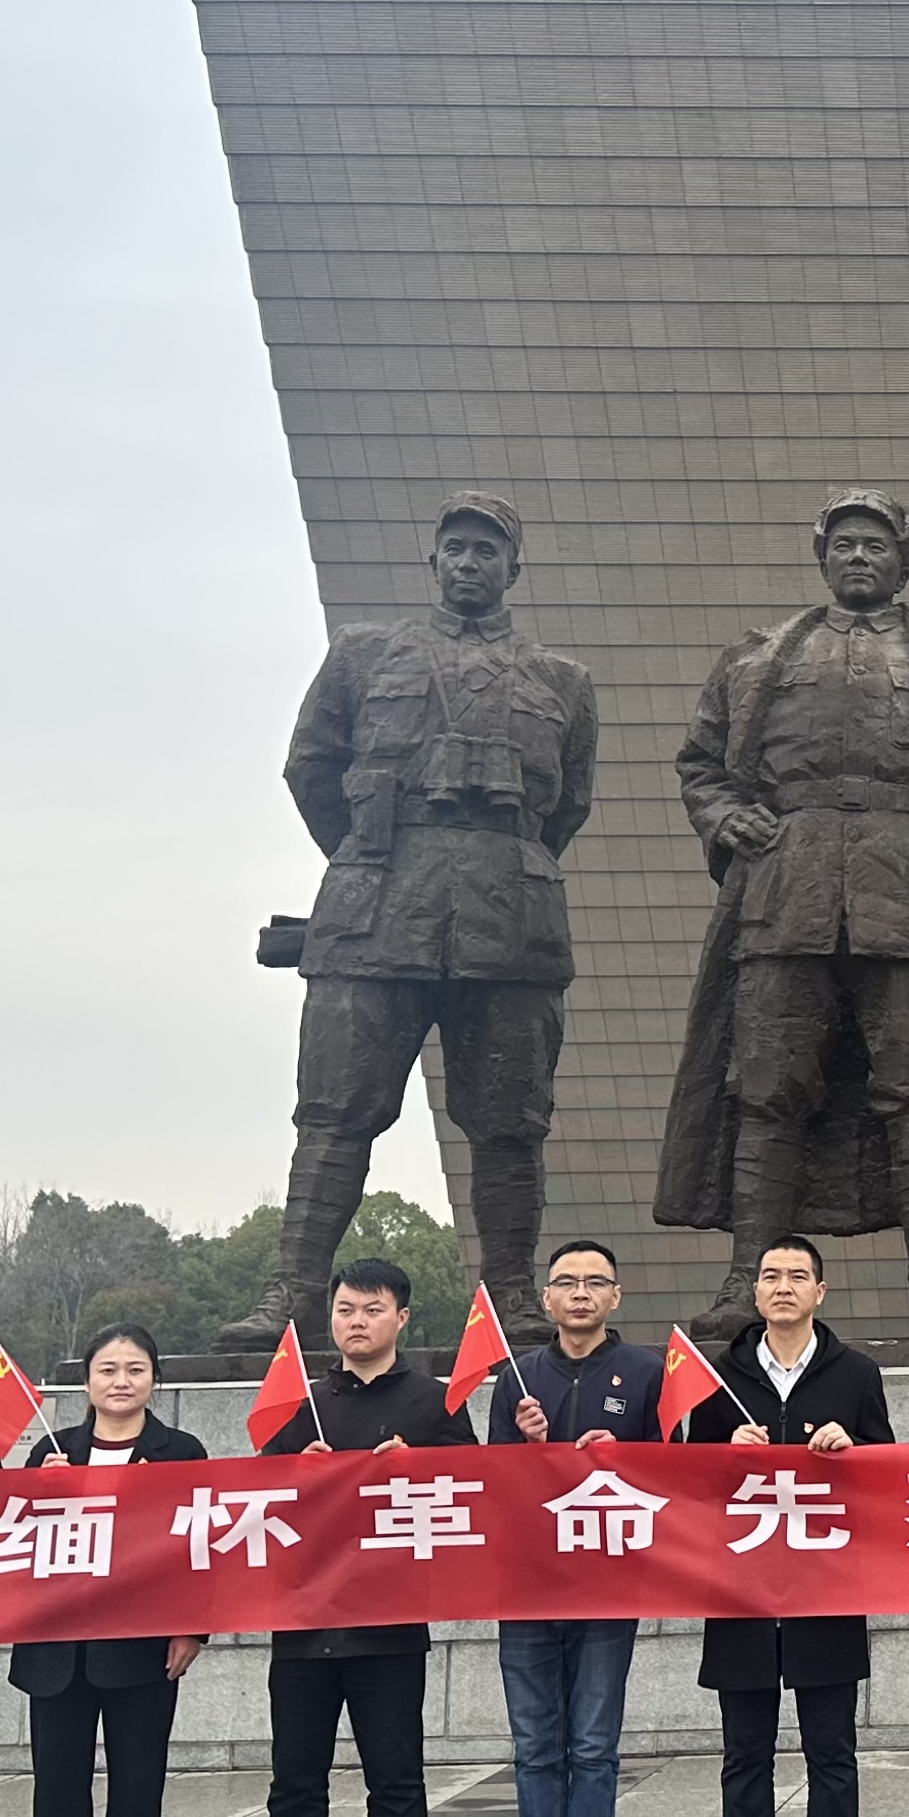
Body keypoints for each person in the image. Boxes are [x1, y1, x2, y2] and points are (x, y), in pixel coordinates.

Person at [657, 492, 909, 1337]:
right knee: (763, 1088)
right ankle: (744, 1283)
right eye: (843, 543)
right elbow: (699, 763)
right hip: (784, 894)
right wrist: (725, 815)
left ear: (904, 559)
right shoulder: (757, 655)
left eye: (875, 544)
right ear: (821, 556)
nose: (858, 556)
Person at [221, 491, 602, 1344]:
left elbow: (567, 807)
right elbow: (310, 770)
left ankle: (509, 1292)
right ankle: (293, 1290)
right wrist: (368, 852)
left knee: (510, 1122)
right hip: (377, 912)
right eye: (455, 548)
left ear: (515, 568)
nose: (470, 563)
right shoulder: (362, 656)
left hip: (510, 923)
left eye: (487, 551)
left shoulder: (563, 683)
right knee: (334, 1111)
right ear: (433, 561)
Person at [230, 1257, 471, 1817]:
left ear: (401, 1317)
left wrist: (418, 1468)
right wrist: (293, 1469)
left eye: (371, 1309)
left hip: (390, 1622)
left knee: (393, 1771)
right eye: (345, 1310)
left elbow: (475, 1494)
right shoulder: (298, 1403)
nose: (356, 1322)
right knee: (294, 1773)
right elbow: (258, 1502)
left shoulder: (435, 1404)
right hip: (303, 1619)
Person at [675, 1233, 883, 1817]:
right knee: (745, 1757)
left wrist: (852, 1447)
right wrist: (720, 1451)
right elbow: (685, 1484)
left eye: (799, 1275)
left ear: (821, 1291)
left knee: (832, 1755)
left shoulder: (856, 1373)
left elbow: (890, 1480)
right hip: (742, 1596)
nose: (784, 1285)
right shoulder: (716, 1378)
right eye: (771, 1275)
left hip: (826, 1593)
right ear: (755, 1292)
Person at [472, 1237, 655, 1817]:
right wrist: (529, 1448)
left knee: (593, 1747)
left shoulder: (643, 1375)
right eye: (566, 1282)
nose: (580, 1293)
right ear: (547, 1299)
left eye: (595, 1282)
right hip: (526, 1588)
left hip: (608, 1588)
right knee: (536, 1749)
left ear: (616, 1297)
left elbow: (674, 1477)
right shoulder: (515, 1376)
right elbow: (492, 1484)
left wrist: (625, 1454)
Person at [13, 1324, 205, 1817]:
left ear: (155, 1378)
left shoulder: (179, 1452)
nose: (121, 1382)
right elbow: (15, 1544)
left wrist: (192, 1627)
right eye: (107, 1369)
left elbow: (198, 1551)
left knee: (136, 1782)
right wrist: (41, 1492)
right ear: (87, 1380)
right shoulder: (53, 1450)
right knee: (58, 1785)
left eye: (135, 1369)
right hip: (58, 1648)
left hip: (142, 1647)